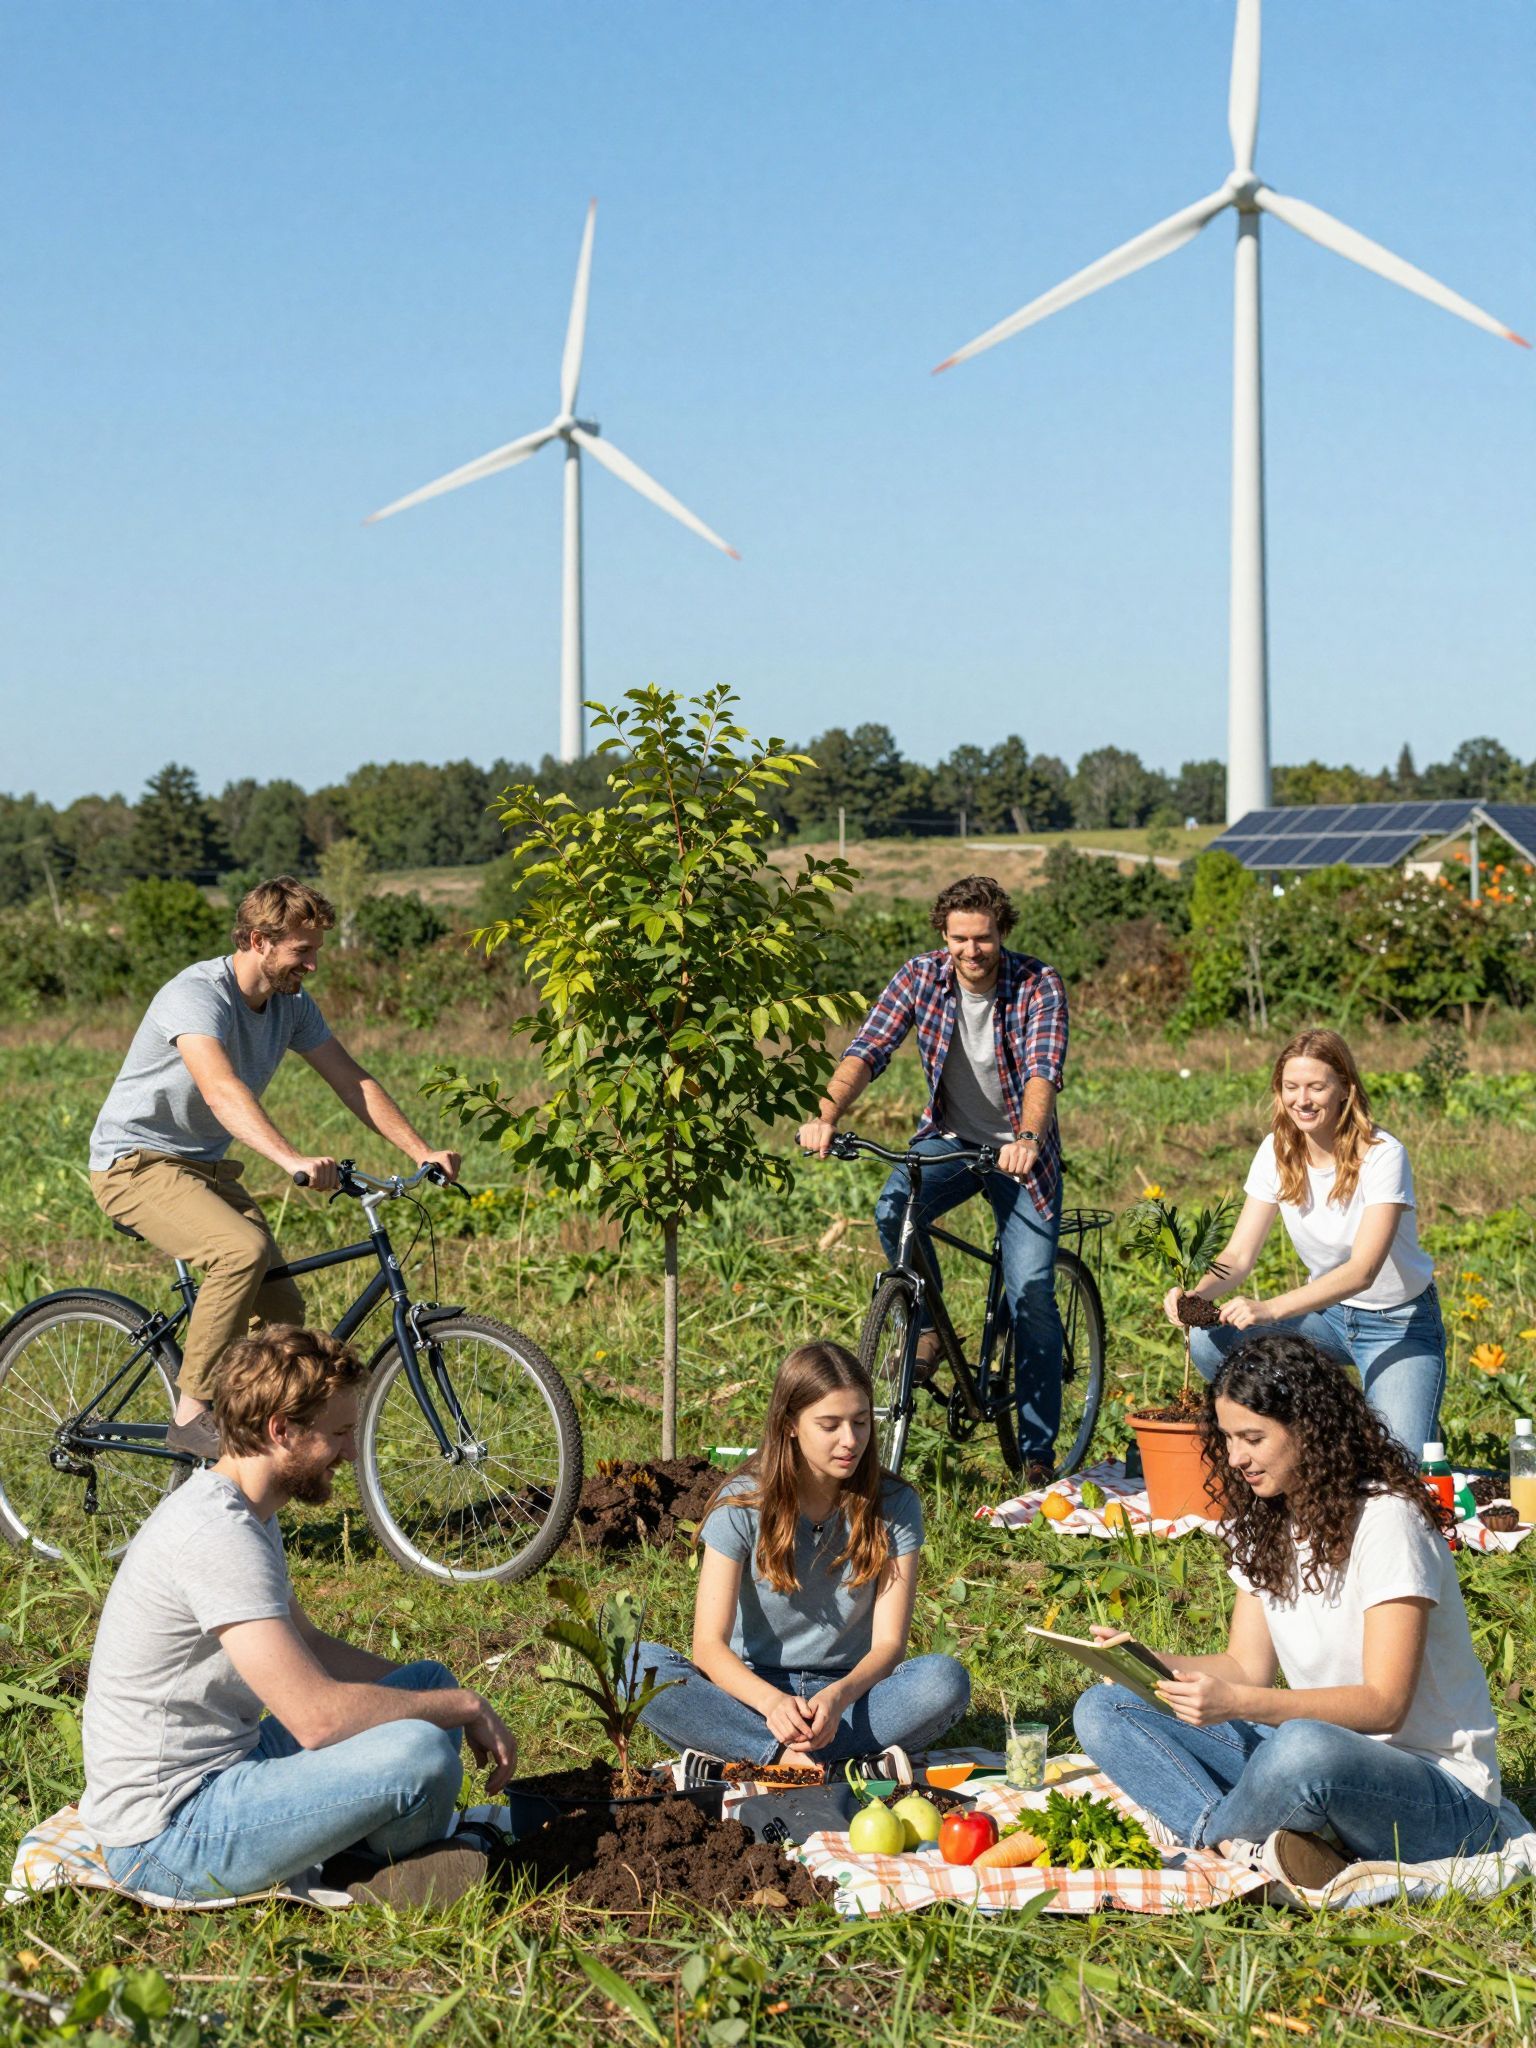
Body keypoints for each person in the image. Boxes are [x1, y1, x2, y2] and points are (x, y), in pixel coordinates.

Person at [79, 1326, 536, 1907]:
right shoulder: (217, 1535)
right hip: (170, 1834)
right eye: (340, 1433)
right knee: (419, 1753)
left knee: (429, 1686)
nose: (350, 1452)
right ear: (281, 1431)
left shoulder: (245, 1511)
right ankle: (376, 1870)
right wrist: (464, 1708)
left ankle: (369, 1849)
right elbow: (317, 1719)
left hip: (231, 1766)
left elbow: (311, 1644)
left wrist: (441, 1701)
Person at [1073, 1334, 1513, 1889]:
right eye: (1229, 1439)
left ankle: (1213, 1837)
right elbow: (1243, 1667)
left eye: (1252, 1438)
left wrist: (1242, 1705)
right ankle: (1255, 1838)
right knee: (1107, 1707)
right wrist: (1144, 1661)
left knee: (1301, 1745)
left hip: (1439, 1796)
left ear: (1310, 1428)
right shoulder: (1265, 1522)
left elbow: (1384, 1706)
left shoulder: (1388, 1522)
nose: (1236, 1458)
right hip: (1312, 1758)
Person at [89, 876, 462, 1460]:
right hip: (135, 1163)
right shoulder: (197, 995)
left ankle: (248, 1448)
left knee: (284, 1318)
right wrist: (290, 1158)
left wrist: (420, 1150)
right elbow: (220, 1090)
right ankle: (192, 1416)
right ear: (259, 940)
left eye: (316, 950)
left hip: (205, 1169)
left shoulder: (290, 1005)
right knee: (239, 1251)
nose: (313, 964)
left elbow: (351, 1078)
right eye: (302, 951)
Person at [797, 874, 1069, 1480]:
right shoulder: (921, 976)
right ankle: (927, 1327)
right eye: (960, 939)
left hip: (1022, 1155)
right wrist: (826, 1113)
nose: (972, 951)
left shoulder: (1036, 984)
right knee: (896, 1212)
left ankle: (1038, 1453)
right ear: (943, 936)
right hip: (950, 1137)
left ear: (1002, 932)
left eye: (984, 938)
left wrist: (1026, 1139)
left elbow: (1042, 1071)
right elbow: (869, 1048)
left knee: (1031, 1296)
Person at [636, 1342, 970, 1773]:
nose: (850, 1440)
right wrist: (772, 1704)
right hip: (752, 1693)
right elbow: (709, 1646)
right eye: (829, 1425)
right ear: (790, 1424)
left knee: (944, 1681)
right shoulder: (741, 1503)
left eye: (861, 1422)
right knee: (634, 1664)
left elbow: (889, 1645)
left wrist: (838, 1696)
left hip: (850, 1695)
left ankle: (762, 1756)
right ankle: (791, 1756)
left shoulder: (895, 1504)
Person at [1169, 1027, 1444, 1455]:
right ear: (1279, 1092)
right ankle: (1297, 1438)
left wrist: (1269, 1309)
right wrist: (1196, 1295)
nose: (1303, 1100)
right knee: (1210, 1339)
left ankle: (1399, 1414)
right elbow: (1239, 1255)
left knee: (1400, 1465)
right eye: (1291, 1087)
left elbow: (1363, 1270)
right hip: (1327, 1318)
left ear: (1344, 1091)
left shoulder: (1383, 1154)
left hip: (1398, 1325)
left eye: (1317, 1087)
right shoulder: (1276, 1150)